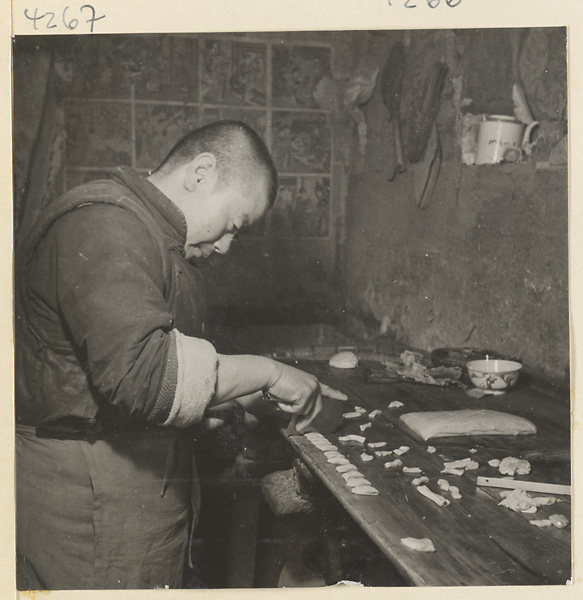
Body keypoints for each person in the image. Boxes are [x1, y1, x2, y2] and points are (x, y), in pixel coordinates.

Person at [15, 120, 347, 590]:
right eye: (234, 224)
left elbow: (114, 368)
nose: (227, 245)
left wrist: (234, 400)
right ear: (201, 172)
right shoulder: (105, 224)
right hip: (90, 500)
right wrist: (267, 374)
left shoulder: (152, 234)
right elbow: (145, 377)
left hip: (123, 489)